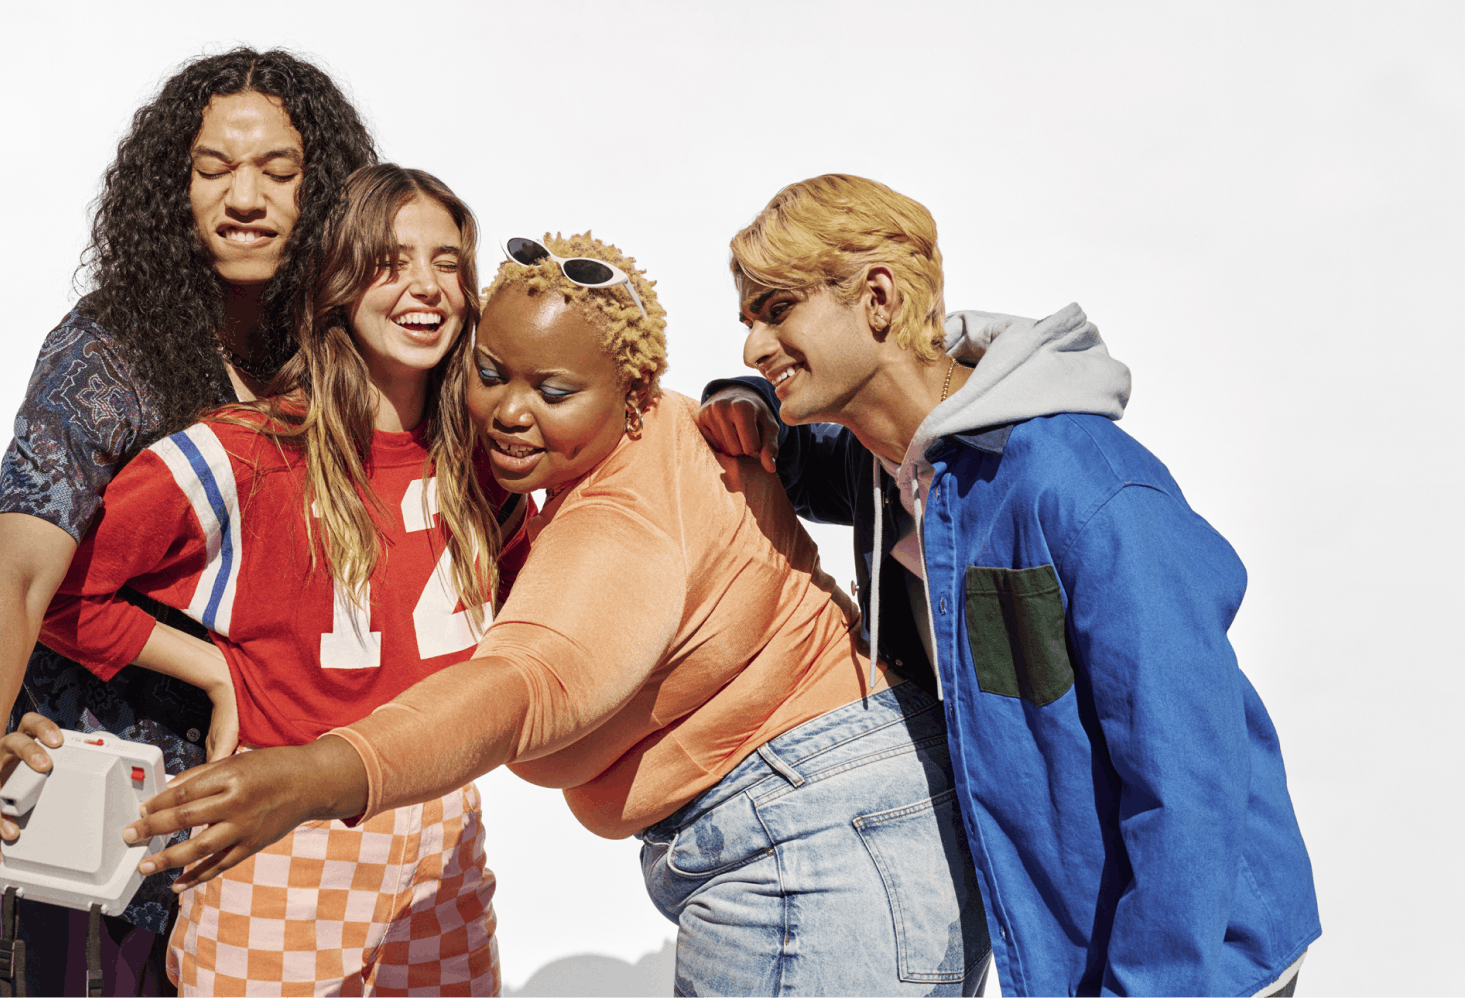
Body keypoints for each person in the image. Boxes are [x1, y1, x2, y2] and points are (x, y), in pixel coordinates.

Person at [117, 233, 994, 998]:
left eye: (555, 390)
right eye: (491, 373)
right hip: (859, 817)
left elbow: (521, 687)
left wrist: (318, 774)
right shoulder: (675, 431)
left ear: (632, 388)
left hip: (809, 844)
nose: (510, 411)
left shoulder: (617, 521)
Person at [696, 173, 1319, 997]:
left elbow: (1191, 775)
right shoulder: (886, 465)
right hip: (1060, 946)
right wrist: (746, 407)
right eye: (748, 321)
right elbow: (805, 460)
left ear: (877, 298)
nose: (754, 346)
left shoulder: (1082, 486)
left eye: (778, 310)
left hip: (1199, 961)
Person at [0, 47, 375, 995]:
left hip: (276, 810)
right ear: (172, 192)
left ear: (327, 193)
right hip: (102, 802)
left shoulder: (353, 352)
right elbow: (14, 572)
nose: (244, 198)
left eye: (279, 172)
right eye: (213, 170)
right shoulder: (107, 351)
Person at [39, 164, 519, 997]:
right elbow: (55, 592)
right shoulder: (244, 453)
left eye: (448, 263)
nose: (427, 286)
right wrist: (212, 669)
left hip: (444, 838)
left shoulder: (487, 460)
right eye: (390, 261)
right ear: (335, 282)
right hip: (283, 841)